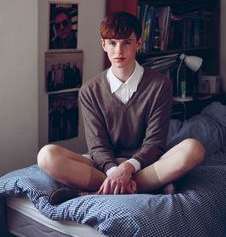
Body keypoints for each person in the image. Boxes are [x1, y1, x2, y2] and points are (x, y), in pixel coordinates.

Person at [37, 11, 205, 203]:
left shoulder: (160, 85)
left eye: (127, 42)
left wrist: (129, 167)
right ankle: (145, 187)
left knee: (194, 148)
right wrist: (114, 171)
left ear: (138, 44)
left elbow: (155, 143)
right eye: (112, 43)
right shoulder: (90, 90)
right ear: (103, 44)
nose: (119, 50)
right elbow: (98, 146)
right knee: (46, 156)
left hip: (145, 163)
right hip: (105, 165)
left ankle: (92, 193)